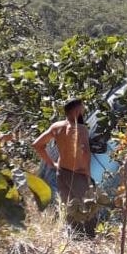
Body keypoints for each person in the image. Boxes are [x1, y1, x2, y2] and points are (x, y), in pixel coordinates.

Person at [32, 98, 96, 236]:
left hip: (61, 172)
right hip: (78, 173)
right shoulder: (81, 129)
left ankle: (75, 236)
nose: (84, 110)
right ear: (76, 110)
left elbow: (37, 145)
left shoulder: (56, 127)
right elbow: (85, 152)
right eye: (82, 108)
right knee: (89, 205)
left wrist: (51, 163)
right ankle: (90, 236)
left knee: (69, 206)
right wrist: (87, 174)